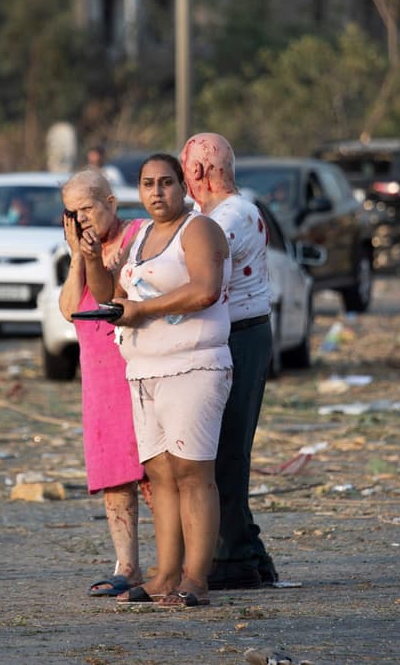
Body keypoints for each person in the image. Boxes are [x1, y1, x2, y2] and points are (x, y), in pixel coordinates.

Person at [111, 154, 232, 608]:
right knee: (159, 472)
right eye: (148, 184)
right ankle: (164, 575)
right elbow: (120, 296)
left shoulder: (199, 229)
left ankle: (196, 579)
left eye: (166, 183)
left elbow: (205, 289)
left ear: (183, 187)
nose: (157, 192)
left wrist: (142, 311)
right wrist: (88, 259)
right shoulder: (140, 234)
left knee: (193, 471)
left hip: (194, 365)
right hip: (143, 369)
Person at [181, 132, 278, 589]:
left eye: (184, 175)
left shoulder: (230, 217)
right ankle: (247, 555)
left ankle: (236, 555)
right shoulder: (231, 212)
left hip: (241, 335)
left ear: (199, 172)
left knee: (227, 455)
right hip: (239, 332)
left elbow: (195, 268)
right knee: (223, 452)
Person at [57, 169, 148, 597]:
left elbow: (114, 295)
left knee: (155, 474)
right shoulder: (80, 247)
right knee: (114, 475)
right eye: (72, 214)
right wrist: (77, 255)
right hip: (98, 377)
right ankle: (126, 565)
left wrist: (93, 258)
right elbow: (70, 310)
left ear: (111, 203)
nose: (82, 220)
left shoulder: (138, 237)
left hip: (136, 367)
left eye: (88, 209)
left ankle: (176, 563)